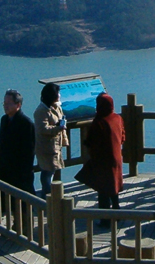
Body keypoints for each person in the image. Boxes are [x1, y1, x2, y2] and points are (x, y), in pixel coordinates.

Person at [75, 93, 125, 227]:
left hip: (103, 159)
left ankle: (105, 220)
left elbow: (93, 142)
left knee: (103, 190)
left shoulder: (99, 121)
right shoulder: (118, 118)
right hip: (116, 157)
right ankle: (117, 213)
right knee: (113, 187)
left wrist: (88, 146)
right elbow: (123, 137)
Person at [0, 89, 35, 195]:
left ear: (18, 105)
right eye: (4, 103)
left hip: (20, 173)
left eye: (8, 103)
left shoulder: (27, 123)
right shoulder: (4, 120)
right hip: (5, 170)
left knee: (23, 204)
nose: (5, 106)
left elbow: (29, 152)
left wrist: (24, 173)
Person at [34, 82, 67, 197]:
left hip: (55, 146)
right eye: (57, 93)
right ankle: (47, 196)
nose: (59, 95)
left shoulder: (56, 107)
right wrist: (58, 128)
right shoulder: (41, 111)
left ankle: (50, 195)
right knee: (47, 172)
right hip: (45, 147)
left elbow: (60, 119)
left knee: (51, 171)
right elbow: (43, 129)